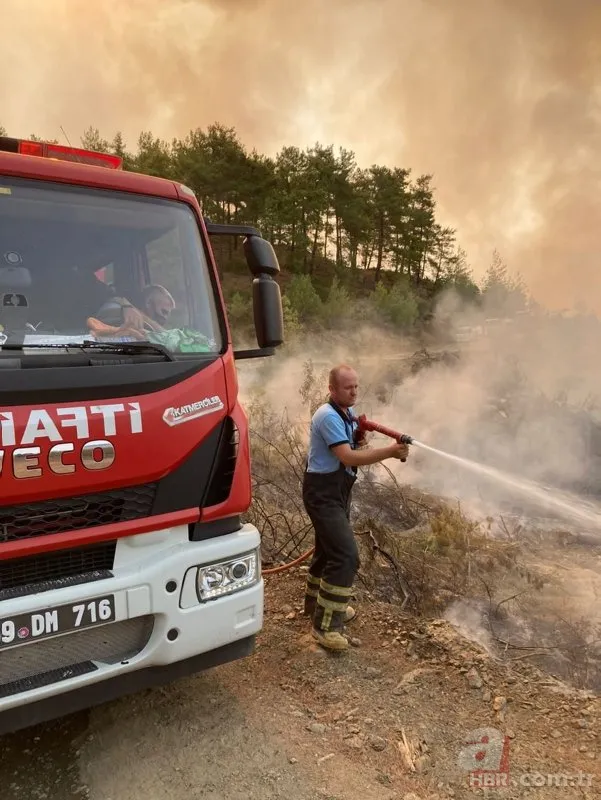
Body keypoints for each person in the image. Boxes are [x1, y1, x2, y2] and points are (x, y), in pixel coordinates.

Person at [302, 364, 409, 651]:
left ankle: (315, 606)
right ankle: (326, 627)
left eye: (356, 386)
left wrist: (359, 436)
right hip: (323, 494)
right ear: (332, 389)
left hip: (336, 491)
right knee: (346, 554)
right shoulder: (327, 416)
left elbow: (350, 448)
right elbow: (347, 457)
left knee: (327, 551)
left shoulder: (345, 414)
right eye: (348, 387)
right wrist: (390, 451)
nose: (354, 392)